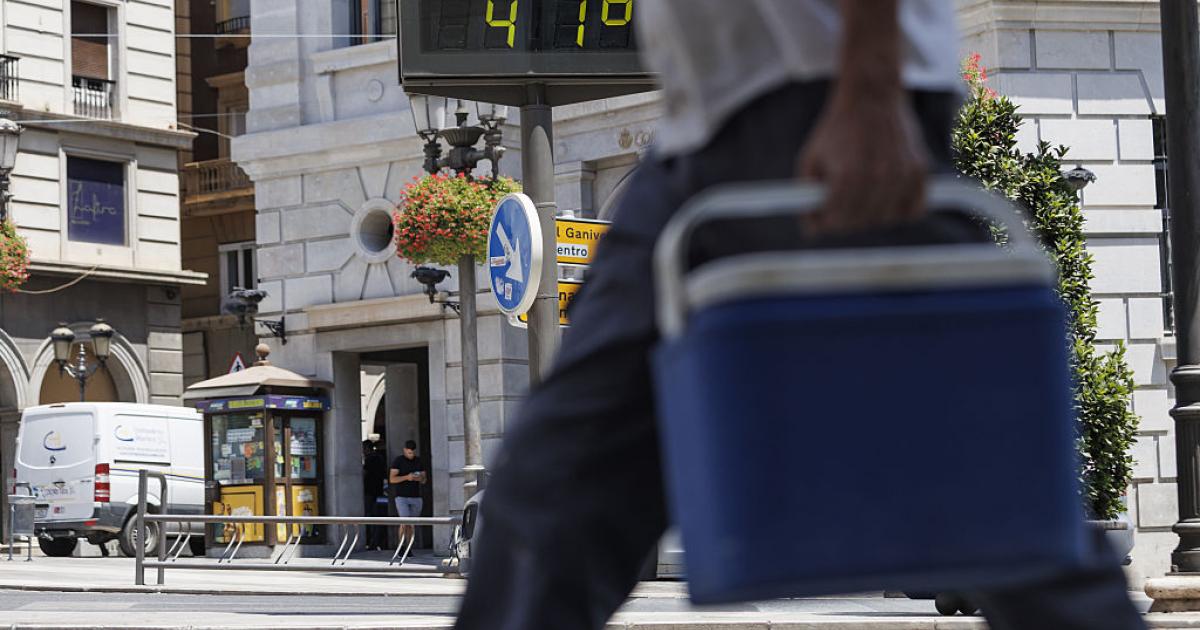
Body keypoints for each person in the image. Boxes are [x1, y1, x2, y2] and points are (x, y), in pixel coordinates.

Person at [453, 2, 1146, 629]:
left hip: (811, 102)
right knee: (554, 499)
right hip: (723, 121)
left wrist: (869, 91)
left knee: (995, 503)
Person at [389, 440, 426, 548]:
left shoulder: (418, 461)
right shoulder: (398, 461)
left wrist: (419, 478)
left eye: (413, 453)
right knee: (404, 522)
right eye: (409, 452)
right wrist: (407, 477)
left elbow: (424, 479)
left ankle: (409, 547)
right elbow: (392, 479)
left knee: (411, 524)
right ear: (405, 450)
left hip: (416, 496)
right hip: (401, 496)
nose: (411, 455)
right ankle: (401, 546)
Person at [362, 438, 387, 551]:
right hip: (378, 490)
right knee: (377, 517)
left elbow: (364, 473)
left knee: (370, 517)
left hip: (369, 491)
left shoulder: (370, 459)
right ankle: (377, 542)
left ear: (367, 448)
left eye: (363, 449)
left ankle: (372, 542)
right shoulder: (380, 458)